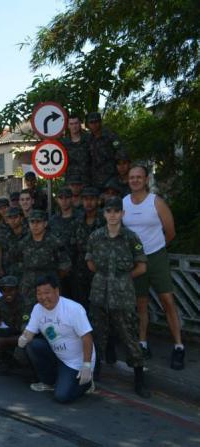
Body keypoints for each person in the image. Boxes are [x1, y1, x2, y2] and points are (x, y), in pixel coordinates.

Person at [86, 197, 151, 397]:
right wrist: (107, 278)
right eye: (109, 211)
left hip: (123, 297)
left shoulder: (131, 238)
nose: (113, 215)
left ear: (123, 214)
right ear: (104, 214)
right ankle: (94, 374)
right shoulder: (95, 237)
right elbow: (90, 263)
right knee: (97, 334)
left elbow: (142, 266)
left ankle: (139, 380)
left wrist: (121, 278)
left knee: (129, 337)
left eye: (116, 211)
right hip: (99, 294)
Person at [122, 165, 184, 369]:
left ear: (146, 179)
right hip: (136, 260)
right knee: (141, 303)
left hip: (156, 257)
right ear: (128, 180)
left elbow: (171, 232)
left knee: (167, 300)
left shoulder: (156, 202)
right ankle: (143, 343)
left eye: (139, 177)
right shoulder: (123, 203)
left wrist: (155, 248)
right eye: (132, 177)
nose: (135, 180)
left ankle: (178, 346)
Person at [18, 275, 95, 403]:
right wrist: (23, 338)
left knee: (62, 396)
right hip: (57, 354)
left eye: (47, 292)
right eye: (39, 293)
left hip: (76, 361)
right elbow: (30, 332)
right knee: (33, 345)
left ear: (57, 291)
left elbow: (87, 337)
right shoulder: (37, 309)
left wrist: (86, 365)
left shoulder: (73, 309)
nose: (43, 297)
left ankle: (87, 383)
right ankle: (48, 382)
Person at [18, 210, 71, 310]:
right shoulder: (23, 243)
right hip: (28, 288)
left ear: (45, 223)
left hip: (49, 287)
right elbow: (18, 261)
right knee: (28, 315)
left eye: (38, 222)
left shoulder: (54, 242)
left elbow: (65, 265)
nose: (35, 225)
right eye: (32, 222)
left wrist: (53, 278)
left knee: (51, 315)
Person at [72, 187, 105, 306]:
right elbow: (73, 247)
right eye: (85, 199)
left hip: (101, 269)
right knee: (81, 304)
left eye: (92, 199)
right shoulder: (77, 221)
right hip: (80, 270)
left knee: (100, 306)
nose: (89, 202)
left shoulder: (105, 220)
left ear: (98, 201)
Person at [49, 187, 78, 297]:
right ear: (57, 200)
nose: (64, 201)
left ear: (72, 199)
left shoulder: (80, 218)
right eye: (61, 198)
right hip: (60, 269)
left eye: (67, 198)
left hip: (78, 268)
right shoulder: (53, 221)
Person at [86, 111, 122, 190]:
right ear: (88, 125)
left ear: (100, 122)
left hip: (111, 176)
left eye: (96, 121)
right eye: (91, 122)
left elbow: (120, 151)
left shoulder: (110, 135)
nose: (94, 124)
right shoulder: (88, 139)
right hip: (95, 179)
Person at [0, 207, 27, 280]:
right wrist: (0, 269)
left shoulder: (29, 232)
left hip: (26, 271)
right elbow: (0, 250)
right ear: (6, 220)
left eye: (15, 217)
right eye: (10, 217)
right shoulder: (5, 234)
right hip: (9, 270)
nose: (13, 220)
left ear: (21, 218)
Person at [61, 115, 91, 185]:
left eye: (76, 123)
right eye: (71, 124)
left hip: (87, 180)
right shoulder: (64, 143)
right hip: (70, 181)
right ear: (68, 126)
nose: (74, 126)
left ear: (80, 124)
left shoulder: (89, 139)